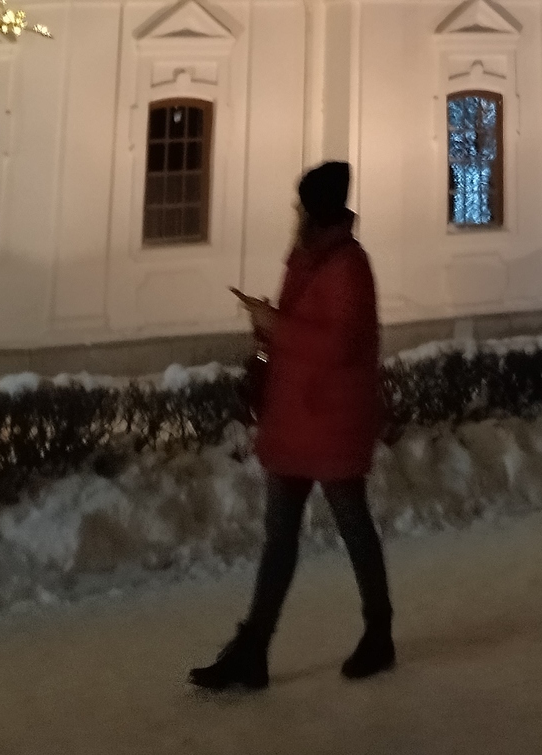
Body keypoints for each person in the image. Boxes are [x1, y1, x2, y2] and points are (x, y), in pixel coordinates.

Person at [191, 162, 393, 691]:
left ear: (318, 210)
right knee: (280, 536)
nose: (298, 215)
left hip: (332, 418)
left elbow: (338, 345)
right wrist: (266, 332)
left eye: (303, 206)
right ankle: (252, 647)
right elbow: (300, 330)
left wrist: (275, 324)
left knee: (353, 527)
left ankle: (379, 633)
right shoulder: (304, 258)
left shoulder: (350, 265)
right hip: (294, 415)